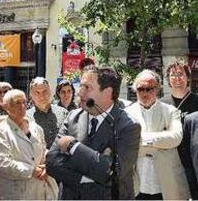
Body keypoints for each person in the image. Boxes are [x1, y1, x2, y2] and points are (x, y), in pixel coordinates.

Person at [46, 66, 141, 199]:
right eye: (81, 86)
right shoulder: (73, 116)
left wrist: (73, 147)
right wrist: (88, 178)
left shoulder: (128, 126)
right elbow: (52, 163)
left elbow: (113, 173)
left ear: (108, 92)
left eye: (87, 87)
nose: (79, 93)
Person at [125, 69, 190, 200]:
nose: (145, 93)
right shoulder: (126, 113)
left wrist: (141, 140)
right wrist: (161, 142)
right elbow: (125, 143)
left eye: (149, 89)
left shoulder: (170, 111)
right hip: (137, 185)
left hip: (166, 185)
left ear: (157, 89)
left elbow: (176, 138)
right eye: (140, 89)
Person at [0, 89, 58, 200]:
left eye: (24, 102)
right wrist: (31, 171)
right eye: (17, 103)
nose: (22, 106)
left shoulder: (36, 128)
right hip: (14, 193)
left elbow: (44, 150)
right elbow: (3, 163)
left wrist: (47, 166)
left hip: (39, 190)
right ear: (6, 107)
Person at [27, 77, 68, 149]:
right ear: (31, 95)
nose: (41, 96)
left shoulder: (63, 113)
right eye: (37, 92)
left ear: (50, 92)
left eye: (44, 91)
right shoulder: (26, 117)